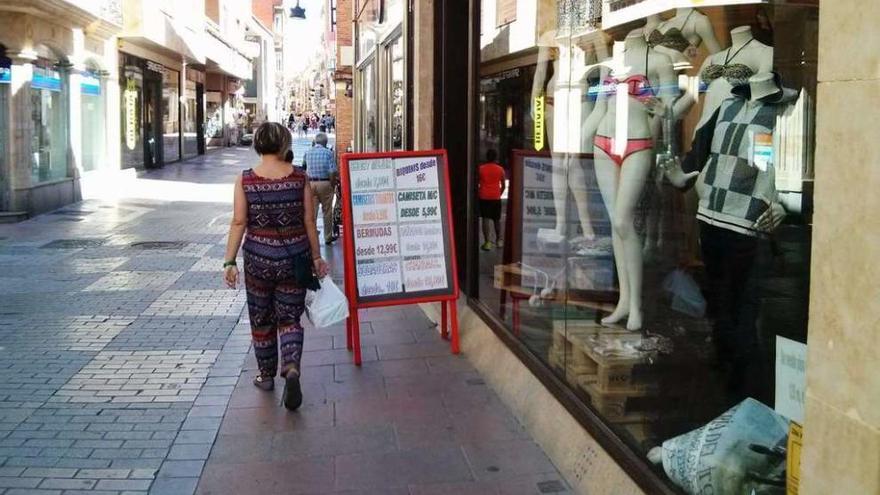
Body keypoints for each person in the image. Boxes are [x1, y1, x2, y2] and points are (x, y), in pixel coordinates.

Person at [223, 122, 330, 411]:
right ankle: (292, 367)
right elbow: (310, 221)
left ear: (257, 144)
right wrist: (317, 257)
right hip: (295, 259)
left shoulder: (245, 179)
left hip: (258, 260)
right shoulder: (299, 178)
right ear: (284, 143)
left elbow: (238, 222)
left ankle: (266, 375)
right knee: (290, 318)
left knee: (262, 318)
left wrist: (230, 260)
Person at [302, 133, 338, 245]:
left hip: (311, 183)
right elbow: (332, 172)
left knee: (312, 212)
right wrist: (332, 185)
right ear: (325, 142)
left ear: (315, 141)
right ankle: (327, 237)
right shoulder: (328, 153)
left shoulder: (307, 152)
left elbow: (303, 167)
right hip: (325, 182)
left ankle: (312, 235)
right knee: (327, 211)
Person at [478, 149, 506, 250]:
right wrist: (499, 193)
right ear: (495, 158)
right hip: (495, 197)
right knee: (496, 219)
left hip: (484, 197)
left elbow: (477, 183)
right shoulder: (500, 169)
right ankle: (499, 241)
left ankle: (487, 242)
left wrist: (479, 193)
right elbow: (503, 185)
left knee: (485, 219)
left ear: (487, 157)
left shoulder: (481, 169)